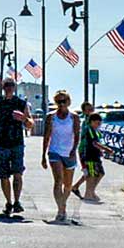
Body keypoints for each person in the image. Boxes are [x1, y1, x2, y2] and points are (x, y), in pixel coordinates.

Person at [0, 84, 31, 220]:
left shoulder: (21, 104)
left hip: (17, 143)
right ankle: (9, 202)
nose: (9, 89)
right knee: (3, 175)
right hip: (1, 144)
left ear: (14, 88)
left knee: (18, 173)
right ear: (3, 88)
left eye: (11, 86)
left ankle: (17, 201)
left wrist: (24, 118)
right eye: (6, 87)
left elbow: (30, 124)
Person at [41, 91, 80, 221]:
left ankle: (62, 205)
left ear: (69, 102)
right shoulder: (51, 117)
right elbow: (47, 136)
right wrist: (43, 155)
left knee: (67, 185)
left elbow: (76, 135)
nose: (62, 104)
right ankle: (61, 209)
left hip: (69, 152)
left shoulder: (74, 117)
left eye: (64, 101)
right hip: (55, 151)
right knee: (58, 180)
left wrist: (74, 150)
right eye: (59, 102)